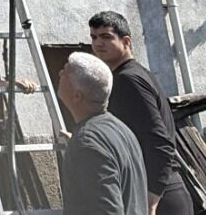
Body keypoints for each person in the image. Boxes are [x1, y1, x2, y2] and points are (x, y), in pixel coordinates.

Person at [89, 12, 191, 215]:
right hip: (150, 190)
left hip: (158, 196)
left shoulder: (130, 79)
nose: (98, 43)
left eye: (106, 37)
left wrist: (150, 202)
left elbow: (160, 142)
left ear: (126, 41)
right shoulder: (128, 76)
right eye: (94, 37)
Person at [58, 52, 148, 215]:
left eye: (65, 72)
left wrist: (83, 146)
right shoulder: (120, 129)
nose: (60, 74)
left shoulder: (88, 144)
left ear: (77, 95)